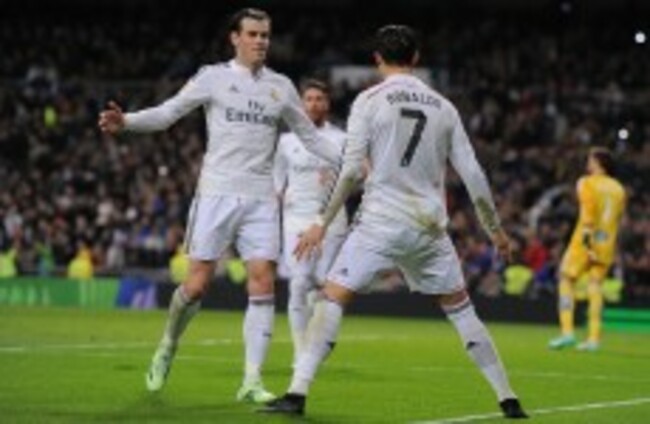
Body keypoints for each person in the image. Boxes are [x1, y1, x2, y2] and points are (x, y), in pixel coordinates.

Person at [261, 25, 527, 419]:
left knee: (331, 298)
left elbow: (352, 171)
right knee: (462, 311)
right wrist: (496, 232)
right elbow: (473, 174)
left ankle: (297, 393)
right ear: (415, 58)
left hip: (380, 223)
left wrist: (321, 221)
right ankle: (508, 399)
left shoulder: (369, 101)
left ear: (377, 60)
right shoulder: (444, 107)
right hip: (429, 229)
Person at [98, 8, 340, 403]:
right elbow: (169, 113)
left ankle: (251, 380)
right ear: (235, 38)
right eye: (253, 34)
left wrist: (352, 161)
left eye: (265, 35)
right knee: (196, 286)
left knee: (263, 281)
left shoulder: (281, 86)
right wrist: (128, 122)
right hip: (216, 193)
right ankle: (168, 343)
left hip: (261, 197)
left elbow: (311, 139)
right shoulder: (212, 77)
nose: (261, 41)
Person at [273, 79, 348, 367]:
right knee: (298, 283)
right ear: (301, 104)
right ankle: (300, 351)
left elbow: (355, 176)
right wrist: (278, 198)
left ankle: (320, 338)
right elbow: (277, 179)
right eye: (309, 99)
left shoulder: (341, 139)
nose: (314, 104)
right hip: (296, 220)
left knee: (323, 285)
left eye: (320, 99)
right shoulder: (286, 141)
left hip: (331, 220)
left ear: (327, 104)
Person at [548, 147, 626, 352]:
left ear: (599, 162)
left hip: (585, 240)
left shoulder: (586, 183)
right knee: (595, 285)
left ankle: (567, 332)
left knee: (566, 279)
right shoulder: (618, 189)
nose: (587, 163)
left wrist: (587, 240)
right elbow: (618, 219)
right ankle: (593, 339)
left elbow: (588, 212)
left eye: (591, 159)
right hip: (607, 242)